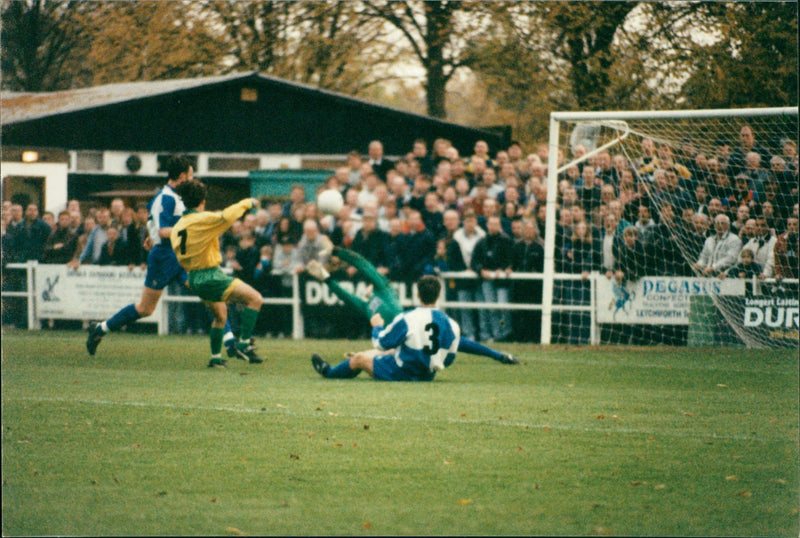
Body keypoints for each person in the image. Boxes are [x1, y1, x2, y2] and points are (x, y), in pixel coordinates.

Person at [85, 156, 239, 360]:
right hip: (164, 258)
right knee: (145, 309)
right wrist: (183, 230)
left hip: (182, 256)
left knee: (209, 293)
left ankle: (230, 342)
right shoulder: (165, 197)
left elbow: (152, 220)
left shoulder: (180, 196)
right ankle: (100, 329)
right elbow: (164, 229)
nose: (193, 178)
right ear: (183, 175)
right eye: (191, 174)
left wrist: (151, 235)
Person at [305, 247, 517, 365]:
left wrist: (338, 251)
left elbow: (363, 264)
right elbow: (346, 296)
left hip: (402, 338)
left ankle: (335, 369)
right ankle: (499, 356)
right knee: (458, 341)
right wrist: (325, 278)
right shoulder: (368, 306)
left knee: (365, 357)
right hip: (400, 343)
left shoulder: (383, 287)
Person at [170, 179, 265, 368]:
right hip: (210, 275)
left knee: (220, 316)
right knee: (255, 299)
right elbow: (226, 216)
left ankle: (215, 358)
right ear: (202, 201)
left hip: (194, 278)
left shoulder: (178, 227)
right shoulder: (201, 220)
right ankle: (244, 345)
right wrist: (248, 203)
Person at [310, 275, 460, 381]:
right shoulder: (451, 323)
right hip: (427, 375)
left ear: (417, 294)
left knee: (360, 359)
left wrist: (377, 326)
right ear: (439, 295)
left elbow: (380, 343)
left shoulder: (407, 318)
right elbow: (449, 357)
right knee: (388, 352)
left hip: (401, 372)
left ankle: (328, 372)